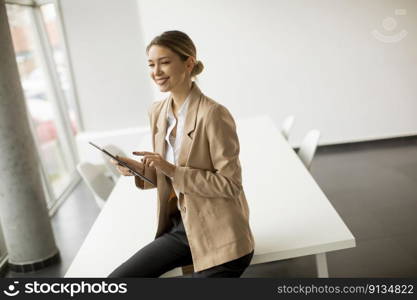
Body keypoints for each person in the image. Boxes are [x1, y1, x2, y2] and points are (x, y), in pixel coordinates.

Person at [108, 30, 254, 278]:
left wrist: (172, 170)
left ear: (189, 63)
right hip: (181, 230)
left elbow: (230, 185)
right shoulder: (158, 111)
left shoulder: (213, 114)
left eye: (164, 62)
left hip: (222, 237)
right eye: (151, 64)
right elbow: (168, 175)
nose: (156, 72)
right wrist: (139, 169)